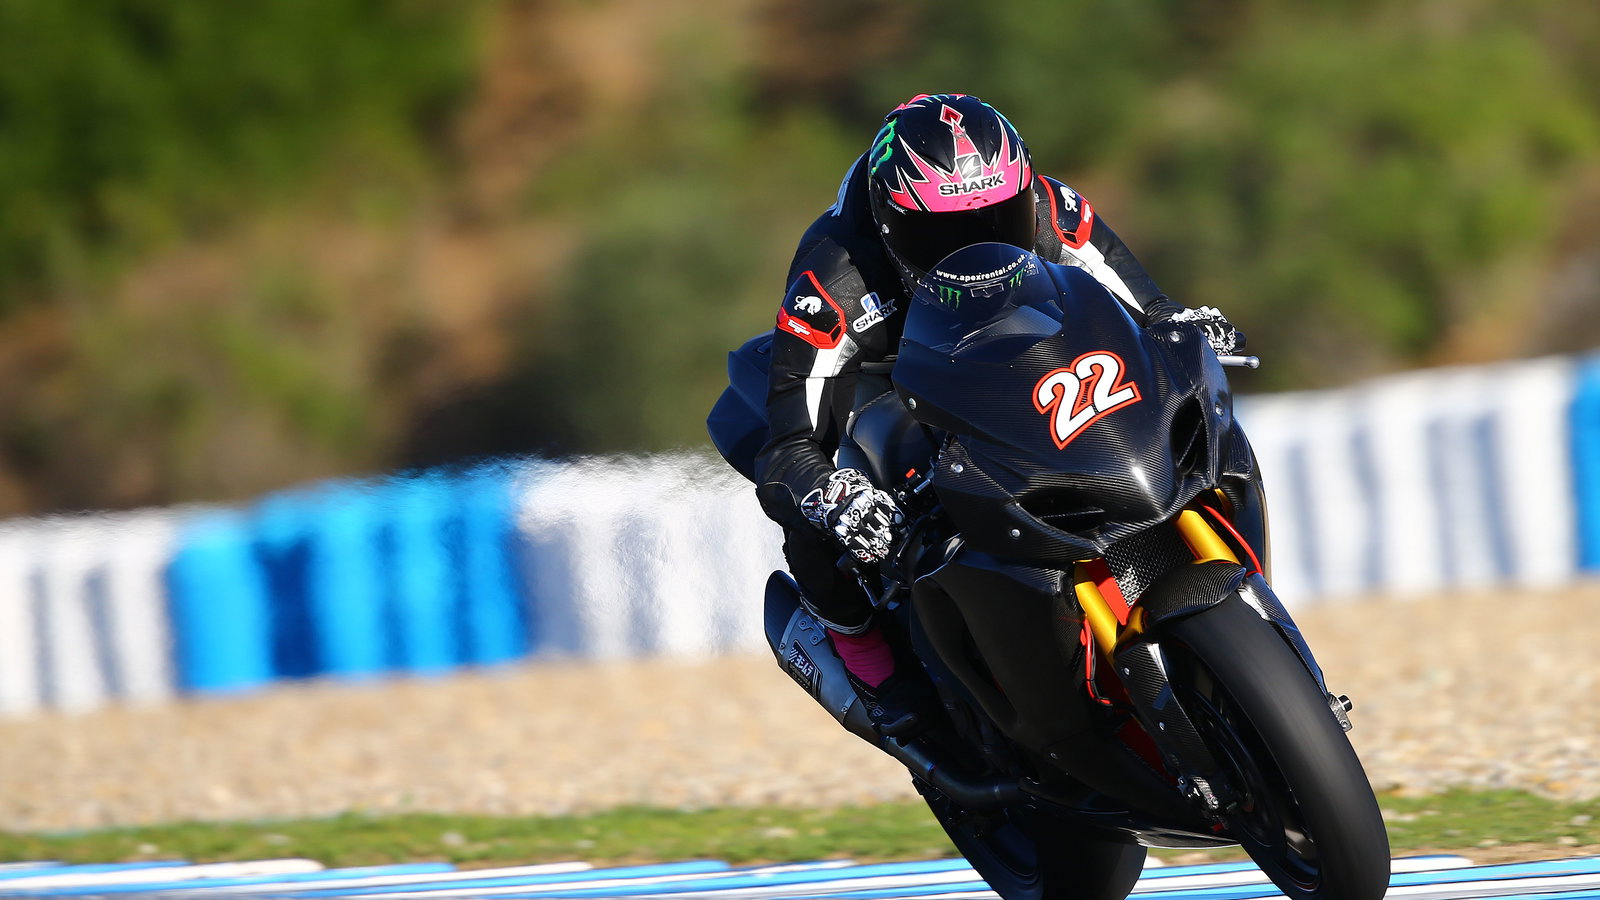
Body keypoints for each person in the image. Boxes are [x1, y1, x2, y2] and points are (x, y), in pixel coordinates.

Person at [753, 93, 1243, 730]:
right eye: (944, 233)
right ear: (892, 222)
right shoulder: (835, 281)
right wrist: (832, 496)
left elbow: (1148, 309)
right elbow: (787, 448)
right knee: (828, 512)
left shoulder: (1047, 205)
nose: (974, 246)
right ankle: (864, 661)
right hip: (886, 371)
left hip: (1018, 345)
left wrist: (1183, 325)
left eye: (996, 221)